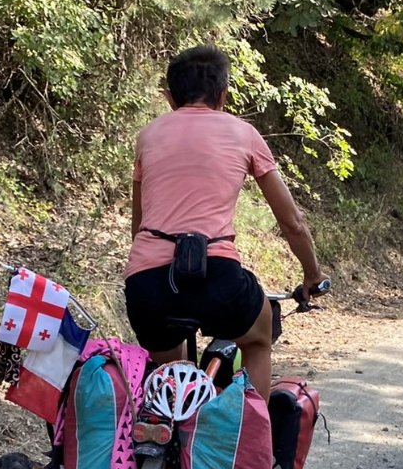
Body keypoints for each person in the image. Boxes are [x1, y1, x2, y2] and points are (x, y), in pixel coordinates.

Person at [123, 44, 330, 400]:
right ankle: (252, 439)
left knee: (172, 374)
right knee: (260, 335)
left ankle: (167, 440)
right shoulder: (244, 133)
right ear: (223, 95)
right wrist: (313, 275)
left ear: (170, 97)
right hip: (217, 276)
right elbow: (292, 222)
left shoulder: (148, 136)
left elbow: (138, 225)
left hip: (149, 285)